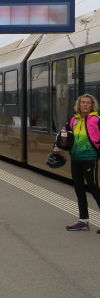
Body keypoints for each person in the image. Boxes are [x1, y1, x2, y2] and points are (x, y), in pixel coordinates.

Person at [53, 93, 100, 231]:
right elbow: (62, 133)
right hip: (75, 159)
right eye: (82, 102)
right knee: (79, 190)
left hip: (89, 159)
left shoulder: (96, 120)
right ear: (78, 105)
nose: (85, 104)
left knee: (94, 189)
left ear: (92, 106)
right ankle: (83, 221)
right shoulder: (74, 120)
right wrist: (56, 145)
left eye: (88, 103)